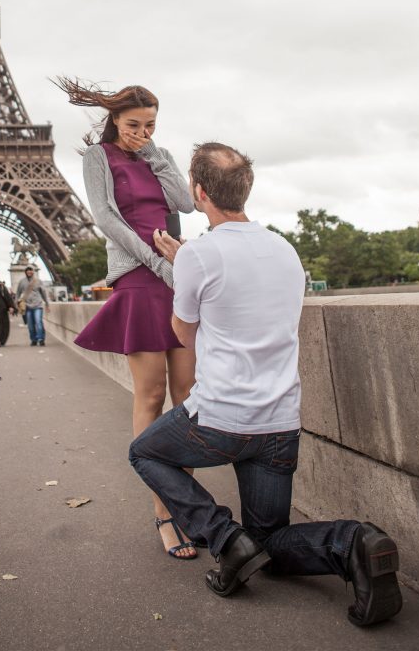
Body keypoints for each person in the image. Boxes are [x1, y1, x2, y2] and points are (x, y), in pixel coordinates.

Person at [129, 143, 402, 626]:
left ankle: (222, 537)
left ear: (198, 191)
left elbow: (183, 333)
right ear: (245, 189)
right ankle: (353, 542)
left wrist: (184, 266)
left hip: (218, 420)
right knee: (271, 541)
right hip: (279, 425)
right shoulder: (284, 248)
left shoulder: (200, 253)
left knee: (145, 452)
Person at [58, 78, 197, 559]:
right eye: (134, 124)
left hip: (175, 278)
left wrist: (155, 151)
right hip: (141, 278)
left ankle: (188, 507)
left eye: (151, 125)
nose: (142, 131)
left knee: (187, 398)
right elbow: (107, 219)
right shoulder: (97, 158)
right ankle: (163, 509)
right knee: (152, 395)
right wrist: (158, 264)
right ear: (115, 120)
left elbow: (185, 202)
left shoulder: (156, 153)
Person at [16, 265, 49, 346]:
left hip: (38, 305)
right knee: (30, 325)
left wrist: (47, 303)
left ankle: (41, 339)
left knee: (38, 322)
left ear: (33, 271)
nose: (29, 272)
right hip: (27, 306)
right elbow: (18, 293)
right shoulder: (22, 282)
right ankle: (33, 339)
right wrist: (17, 303)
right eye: (27, 270)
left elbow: (43, 293)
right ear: (25, 272)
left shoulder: (38, 281)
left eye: (31, 270)